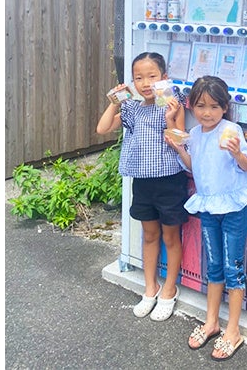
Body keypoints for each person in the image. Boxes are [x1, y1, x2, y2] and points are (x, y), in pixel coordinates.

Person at [164, 75, 247, 361]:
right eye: (201, 106)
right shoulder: (194, 134)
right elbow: (194, 166)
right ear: (191, 106)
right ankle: (211, 322)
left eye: (214, 107)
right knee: (215, 266)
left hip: (233, 208)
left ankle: (233, 330)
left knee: (233, 268)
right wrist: (179, 147)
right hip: (208, 207)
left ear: (225, 108)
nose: (207, 113)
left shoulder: (231, 130)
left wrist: (237, 153)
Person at [95, 51, 187, 322]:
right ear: (132, 82)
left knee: (171, 237)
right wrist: (114, 102)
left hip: (170, 180)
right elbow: (102, 129)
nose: (145, 83)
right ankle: (150, 287)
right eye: (139, 78)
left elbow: (179, 140)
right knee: (149, 235)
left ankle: (169, 289)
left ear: (164, 77)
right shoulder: (132, 108)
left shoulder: (174, 104)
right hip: (143, 181)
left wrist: (170, 118)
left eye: (152, 76)